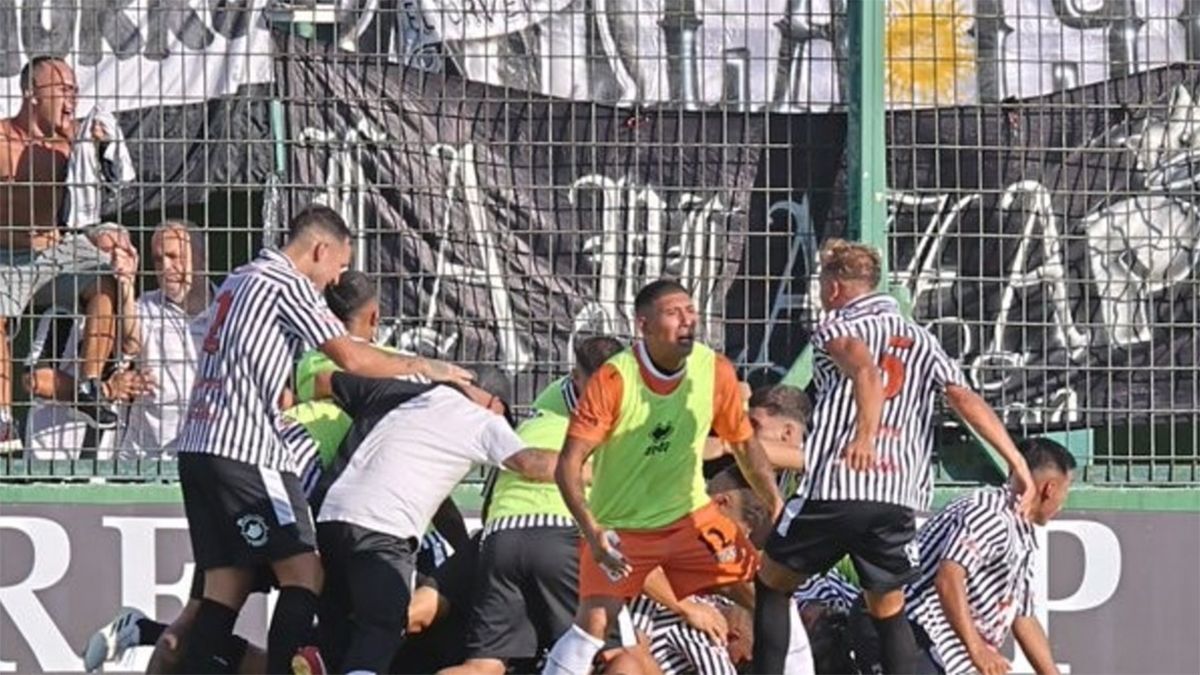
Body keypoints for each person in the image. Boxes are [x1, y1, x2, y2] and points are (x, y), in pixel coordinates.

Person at [174, 204, 473, 674]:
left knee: (224, 589)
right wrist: (426, 367)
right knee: (306, 573)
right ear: (320, 249)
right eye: (338, 265)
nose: (335, 279)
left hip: (196, 447)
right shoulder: (289, 284)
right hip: (248, 449)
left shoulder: (239, 278)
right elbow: (352, 358)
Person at [754, 239, 1036, 675]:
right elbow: (962, 396)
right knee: (888, 609)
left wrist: (865, 436)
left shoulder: (836, 326)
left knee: (772, 583)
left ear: (833, 288)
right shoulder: (921, 339)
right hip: (898, 496)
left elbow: (864, 369)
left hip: (838, 486)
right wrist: (1016, 462)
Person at [543, 279, 784, 675]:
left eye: (691, 311)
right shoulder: (614, 380)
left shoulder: (714, 369)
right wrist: (591, 528)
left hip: (691, 518)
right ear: (643, 325)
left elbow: (743, 444)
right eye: (674, 313)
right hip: (624, 525)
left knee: (768, 593)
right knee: (594, 625)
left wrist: (774, 501)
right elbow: (567, 464)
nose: (687, 321)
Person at [310, 366, 561, 674]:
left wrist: (462, 550)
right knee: (382, 628)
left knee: (339, 631)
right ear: (496, 404)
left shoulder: (403, 393)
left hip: (328, 519)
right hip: (384, 529)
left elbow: (323, 379)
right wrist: (593, 472)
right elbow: (528, 462)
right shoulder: (483, 421)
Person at [440, 334, 623, 675]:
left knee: (483, 665)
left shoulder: (543, 413)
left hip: (500, 531)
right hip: (562, 531)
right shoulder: (617, 426)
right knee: (615, 655)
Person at [849, 438, 1074, 675]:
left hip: (927, 643)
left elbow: (1023, 617)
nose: (1063, 501)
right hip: (903, 627)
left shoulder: (1021, 534)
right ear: (1050, 488)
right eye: (1066, 489)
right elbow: (948, 578)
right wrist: (977, 649)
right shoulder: (992, 514)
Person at [0, 56, 138, 445]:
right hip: (6, 257)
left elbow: (87, 210)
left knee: (106, 277)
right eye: (62, 89)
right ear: (31, 93)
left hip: (57, 251)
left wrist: (105, 233)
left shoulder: (74, 143)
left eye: (75, 90)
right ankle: (3, 420)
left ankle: (89, 385)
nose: (71, 98)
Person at [21, 222, 145, 457]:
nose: (115, 261)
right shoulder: (64, 315)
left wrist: (127, 283)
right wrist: (106, 390)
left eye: (124, 252)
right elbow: (35, 380)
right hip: (50, 459)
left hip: (100, 467)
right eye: (107, 252)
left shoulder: (136, 315)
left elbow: (131, 344)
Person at [119, 220, 214, 455]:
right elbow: (130, 344)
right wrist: (126, 285)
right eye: (159, 260)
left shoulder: (227, 309)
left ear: (201, 258)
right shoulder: (146, 306)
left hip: (206, 452)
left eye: (174, 256)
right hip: (145, 456)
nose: (165, 267)